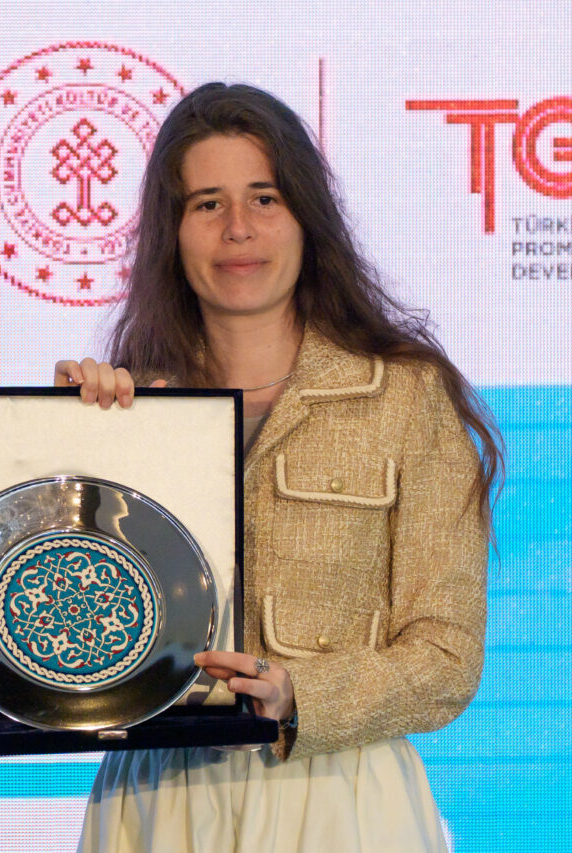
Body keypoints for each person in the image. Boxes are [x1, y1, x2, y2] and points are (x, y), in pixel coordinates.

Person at [55, 83, 501, 852]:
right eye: (207, 204)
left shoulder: (404, 395)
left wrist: (300, 694)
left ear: (306, 217)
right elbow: (64, 631)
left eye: (265, 198)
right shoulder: (126, 409)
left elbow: (446, 659)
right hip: (159, 797)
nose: (239, 228)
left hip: (342, 793)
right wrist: (52, 448)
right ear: (172, 232)